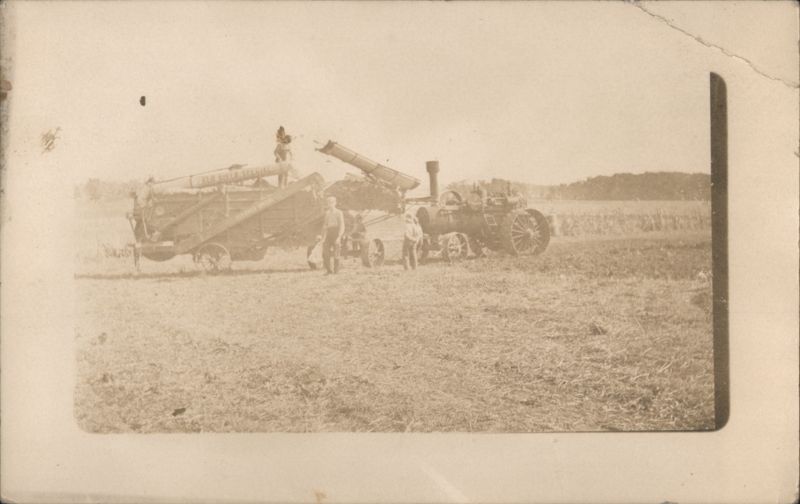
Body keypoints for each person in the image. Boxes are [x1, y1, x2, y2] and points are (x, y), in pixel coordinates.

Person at [319, 196, 345, 274]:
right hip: (328, 233)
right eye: (328, 203)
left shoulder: (339, 212)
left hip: (336, 232)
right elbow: (325, 225)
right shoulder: (327, 213)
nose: (330, 204)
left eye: (332, 202)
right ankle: (329, 270)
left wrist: (339, 236)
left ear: (335, 203)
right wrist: (322, 236)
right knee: (325, 252)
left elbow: (342, 225)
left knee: (336, 252)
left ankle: (336, 271)